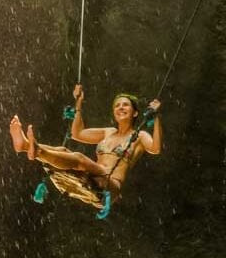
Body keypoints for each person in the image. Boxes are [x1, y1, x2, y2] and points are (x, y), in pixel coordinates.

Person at [9, 84, 162, 201]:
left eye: (125, 105)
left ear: (135, 113)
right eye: (117, 105)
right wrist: (79, 102)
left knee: (80, 158)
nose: (120, 107)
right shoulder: (108, 132)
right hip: (94, 174)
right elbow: (77, 133)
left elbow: (155, 148)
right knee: (63, 149)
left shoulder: (139, 136)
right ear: (114, 113)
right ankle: (25, 145)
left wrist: (155, 117)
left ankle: (36, 150)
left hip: (110, 185)